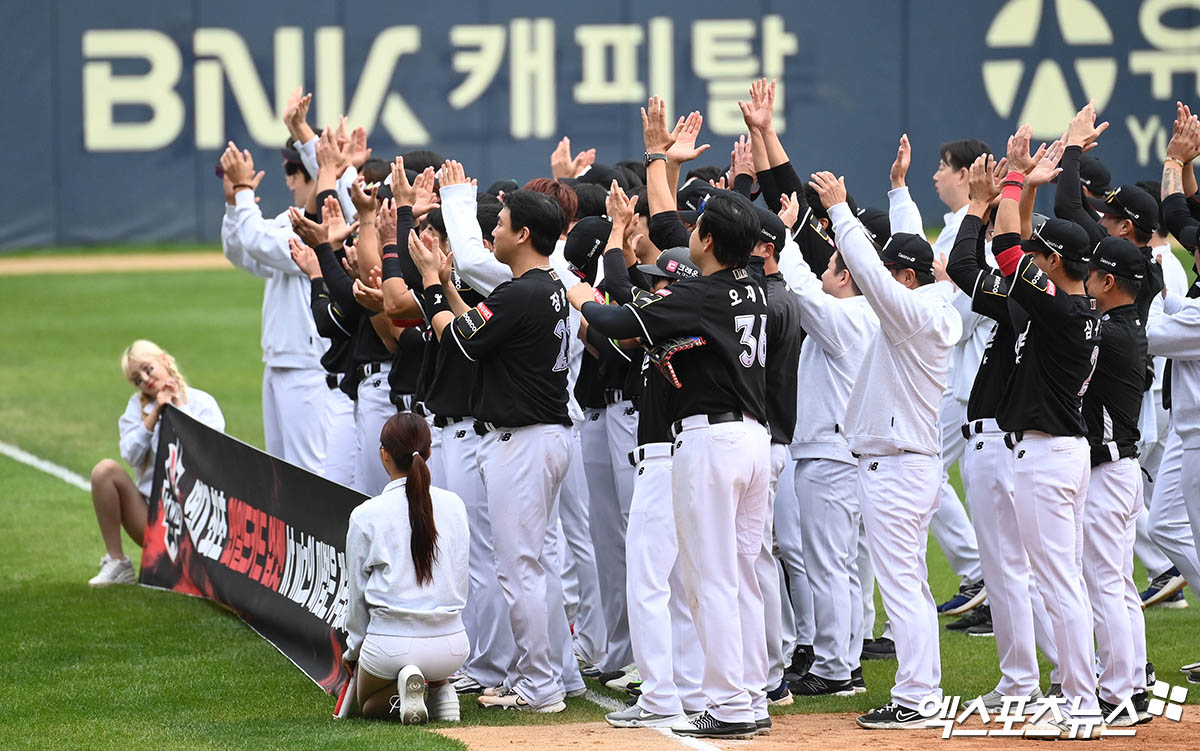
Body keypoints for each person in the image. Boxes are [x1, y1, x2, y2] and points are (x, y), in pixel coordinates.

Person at [569, 160, 772, 737]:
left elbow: (612, 318)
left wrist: (580, 294)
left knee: (708, 578)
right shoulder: (752, 285)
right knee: (739, 575)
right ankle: (750, 696)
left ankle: (730, 705)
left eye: (698, 225)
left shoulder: (703, 296)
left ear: (707, 239)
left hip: (712, 442)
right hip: (751, 439)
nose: (690, 232)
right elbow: (669, 281)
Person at [411, 180, 576, 713]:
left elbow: (459, 340)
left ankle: (540, 685)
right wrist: (450, 292)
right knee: (530, 563)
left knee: (517, 567)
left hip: (523, 442)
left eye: (501, 224)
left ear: (523, 233)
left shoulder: (520, 291)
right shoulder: (543, 285)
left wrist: (433, 285)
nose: (493, 231)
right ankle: (543, 676)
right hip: (540, 436)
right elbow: (479, 329)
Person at [807, 170, 961, 729]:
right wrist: (898, 192)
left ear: (906, 278)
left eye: (893, 275)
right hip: (902, 464)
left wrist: (842, 213)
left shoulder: (913, 316)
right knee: (909, 585)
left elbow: (872, 274)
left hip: (896, 468)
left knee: (902, 588)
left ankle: (918, 699)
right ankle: (920, 693)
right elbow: (897, 260)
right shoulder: (932, 306)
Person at [992, 125, 1104, 739]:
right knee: (1066, 581)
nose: (1033, 261)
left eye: (1043, 256)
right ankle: (1079, 695)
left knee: (1060, 584)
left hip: (1047, 455)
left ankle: (1081, 702)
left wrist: (1014, 178)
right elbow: (1018, 247)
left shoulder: (1058, 308)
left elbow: (1007, 245)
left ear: (1055, 262)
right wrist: (1027, 188)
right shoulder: (1078, 306)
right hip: (1064, 450)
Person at [775, 192, 878, 698]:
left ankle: (836, 668)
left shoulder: (846, 318)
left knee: (829, 565)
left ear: (844, 278)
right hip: (843, 454)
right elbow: (805, 287)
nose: (823, 274)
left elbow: (798, 290)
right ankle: (848, 662)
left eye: (831, 268)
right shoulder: (862, 316)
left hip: (830, 457)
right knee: (843, 566)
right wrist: (791, 233)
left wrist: (786, 236)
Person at [342, 412, 469, 724]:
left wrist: (353, 651)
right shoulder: (454, 505)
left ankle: (409, 687)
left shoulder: (366, 514)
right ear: (427, 452)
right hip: (452, 646)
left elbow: (357, 598)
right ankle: (441, 688)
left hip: (391, 644)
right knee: (424, 661)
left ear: (384, 454)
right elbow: (461, 576)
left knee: (368, 705)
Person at [219, 142, 329, 475]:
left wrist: (242, 194)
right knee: (281, 474)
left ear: (313, 175)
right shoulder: (290, 218)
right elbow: (244, 253)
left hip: (309, 365)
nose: (289, 182)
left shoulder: (323, 222)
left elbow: (259, 243)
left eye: (292, 172)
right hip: (281, 359)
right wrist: (233, 205)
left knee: (310, 473)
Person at [1081, 237, 1154, 725]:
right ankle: (1133, 686)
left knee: (1105, 583)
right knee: (1119, 583)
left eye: (1090, 273)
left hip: (1108, 472)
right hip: (1121, 471)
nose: (1083, 279)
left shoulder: (1110, 334)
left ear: (1109, 282)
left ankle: (1117, 694)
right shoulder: (1128, 327)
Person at [89, 340, 224, 587]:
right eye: (137, 379)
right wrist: (153, 416)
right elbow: (130, 456)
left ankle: (194, 566)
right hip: (153, 517)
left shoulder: (202, 403)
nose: (145, 379)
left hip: (198, 518)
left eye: (147, 369)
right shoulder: (136, 407)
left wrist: (177, 407)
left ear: (163, 359)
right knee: (104, 471)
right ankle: (117, 562)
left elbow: (207, 455)